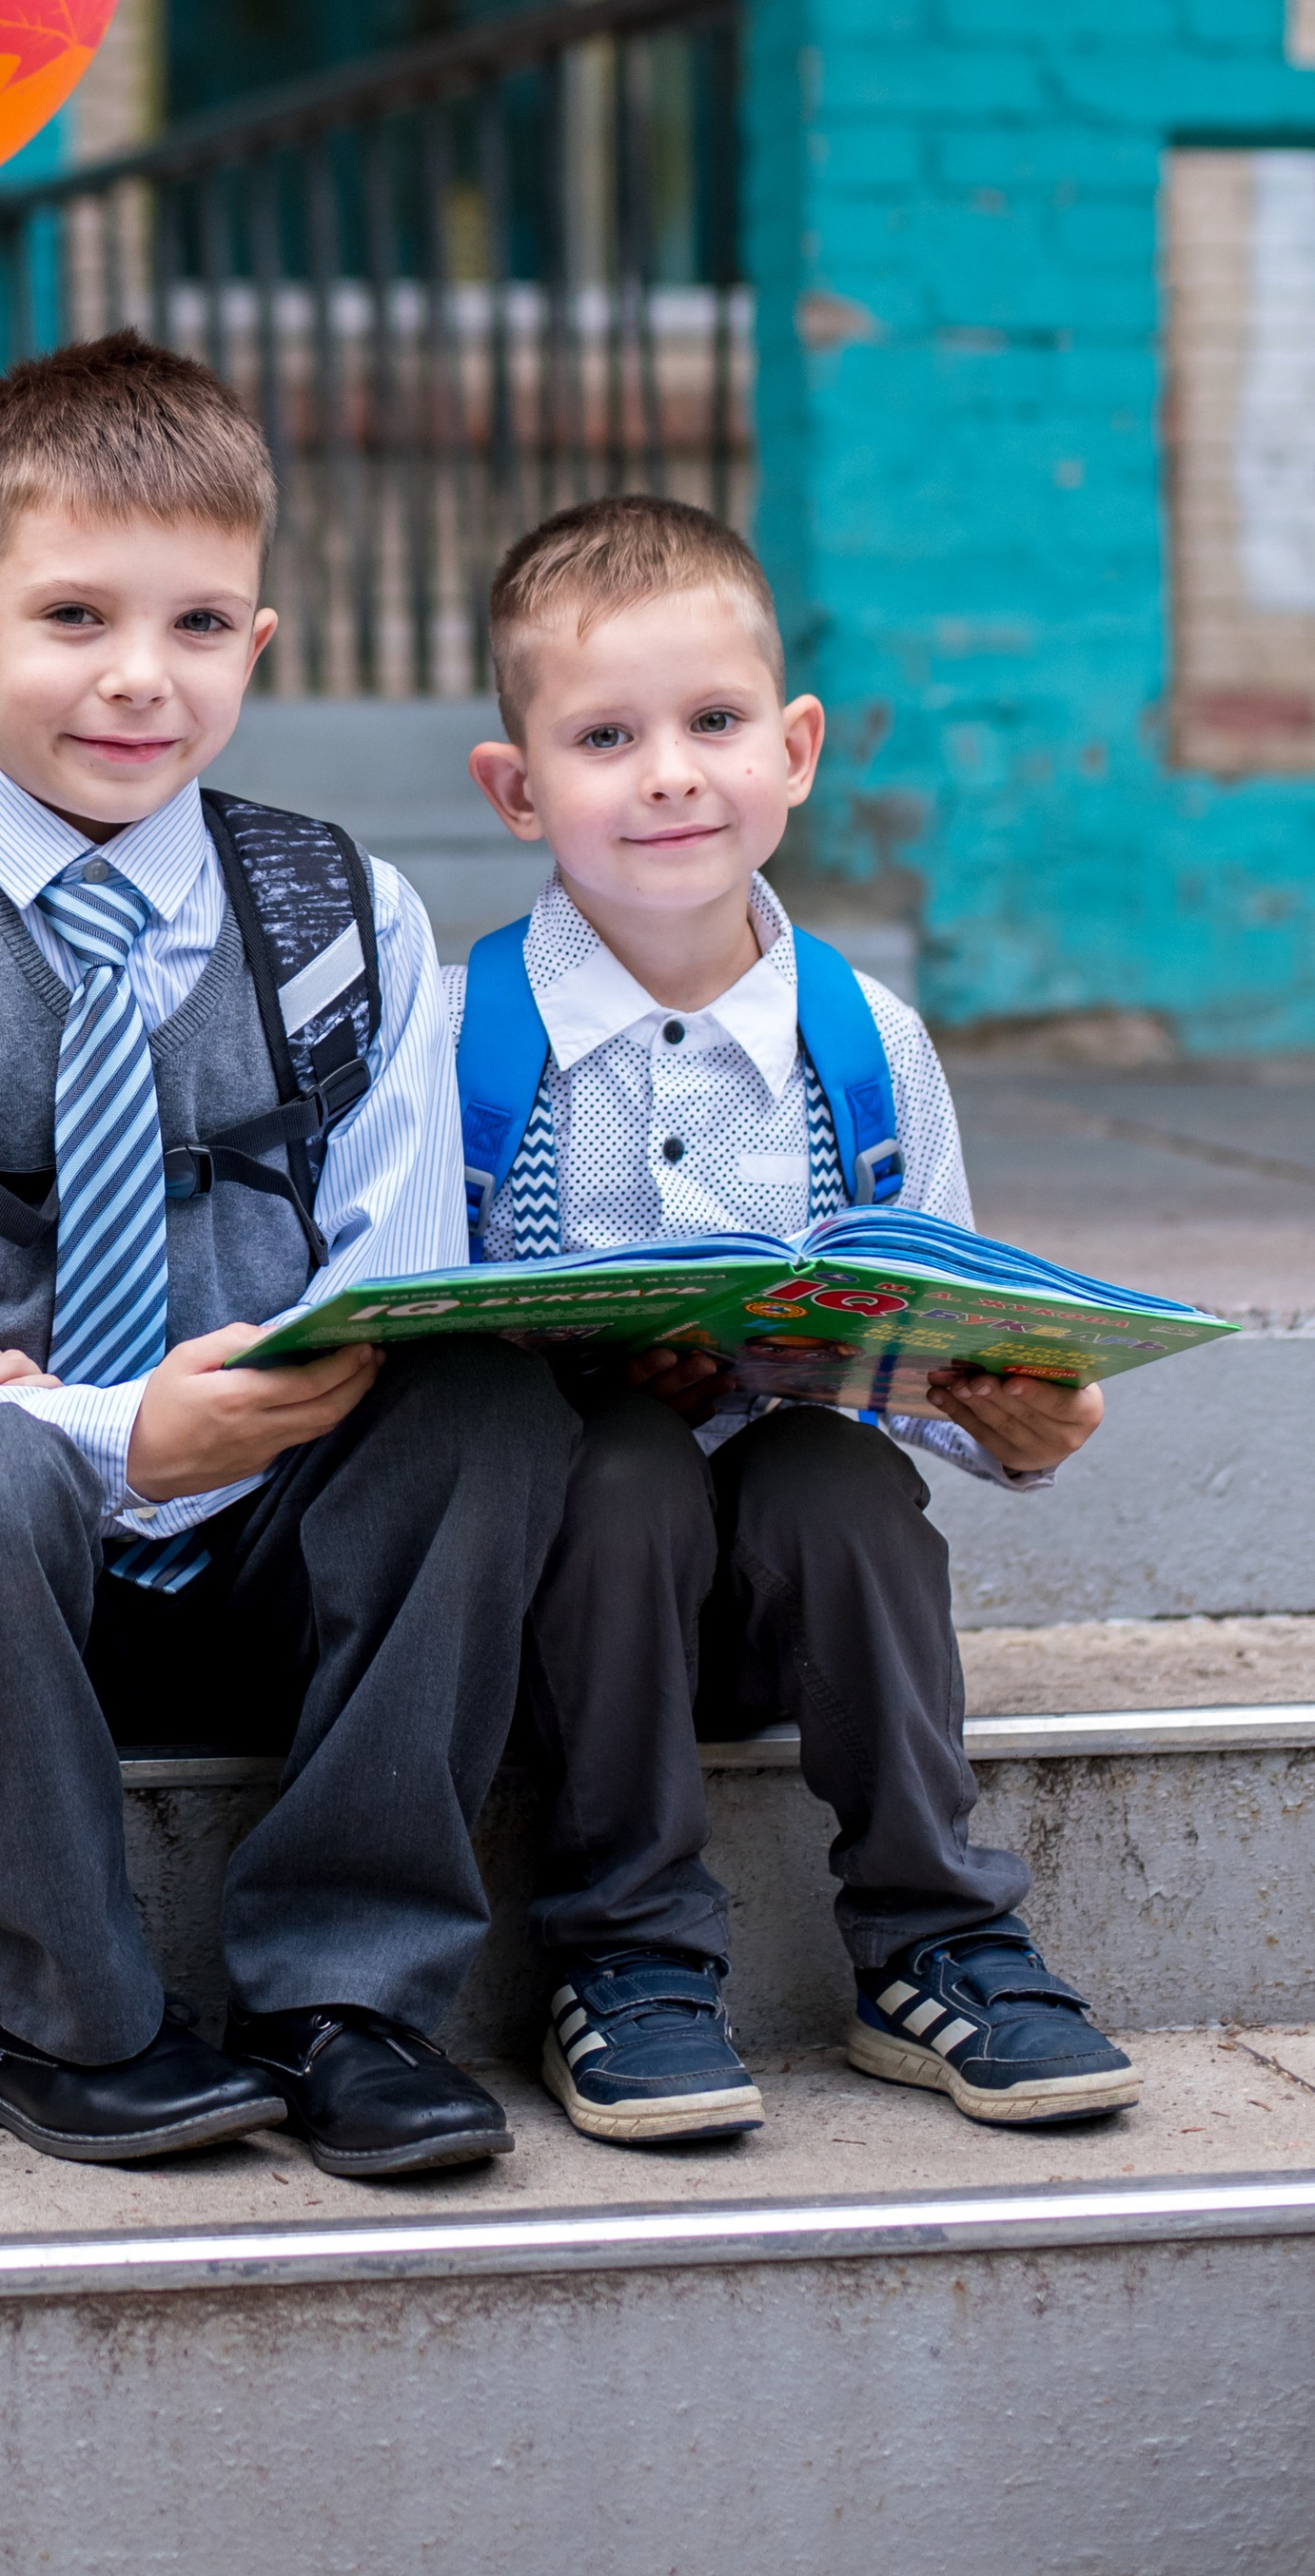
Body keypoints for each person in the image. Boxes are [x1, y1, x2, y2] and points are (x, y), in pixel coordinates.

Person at [0, 334, 577, 2177]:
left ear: (256, 647)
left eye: (197, 626)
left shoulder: (346, 913)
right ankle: (57, 2018)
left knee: (480, 1414)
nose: (135, 678)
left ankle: (341, 1995)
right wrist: (112, 1438)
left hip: (267, 1531)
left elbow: (393, 1283)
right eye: (73, 616)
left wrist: (215, 1420)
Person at [457, 493, 1142, 2146]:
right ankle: (625, 1951)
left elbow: (932, 1317)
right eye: (606, 734)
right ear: (517, 785)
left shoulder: (871, 1041)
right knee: (618, 1457)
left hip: (789, 1610)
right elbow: (414, 1352)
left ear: (798, 744)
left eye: (714, 722)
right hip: (572, 1614)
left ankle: (940, 1934)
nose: (673, 772)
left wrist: (1007, 1407)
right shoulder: (463, 1036)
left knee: (833, 1471)